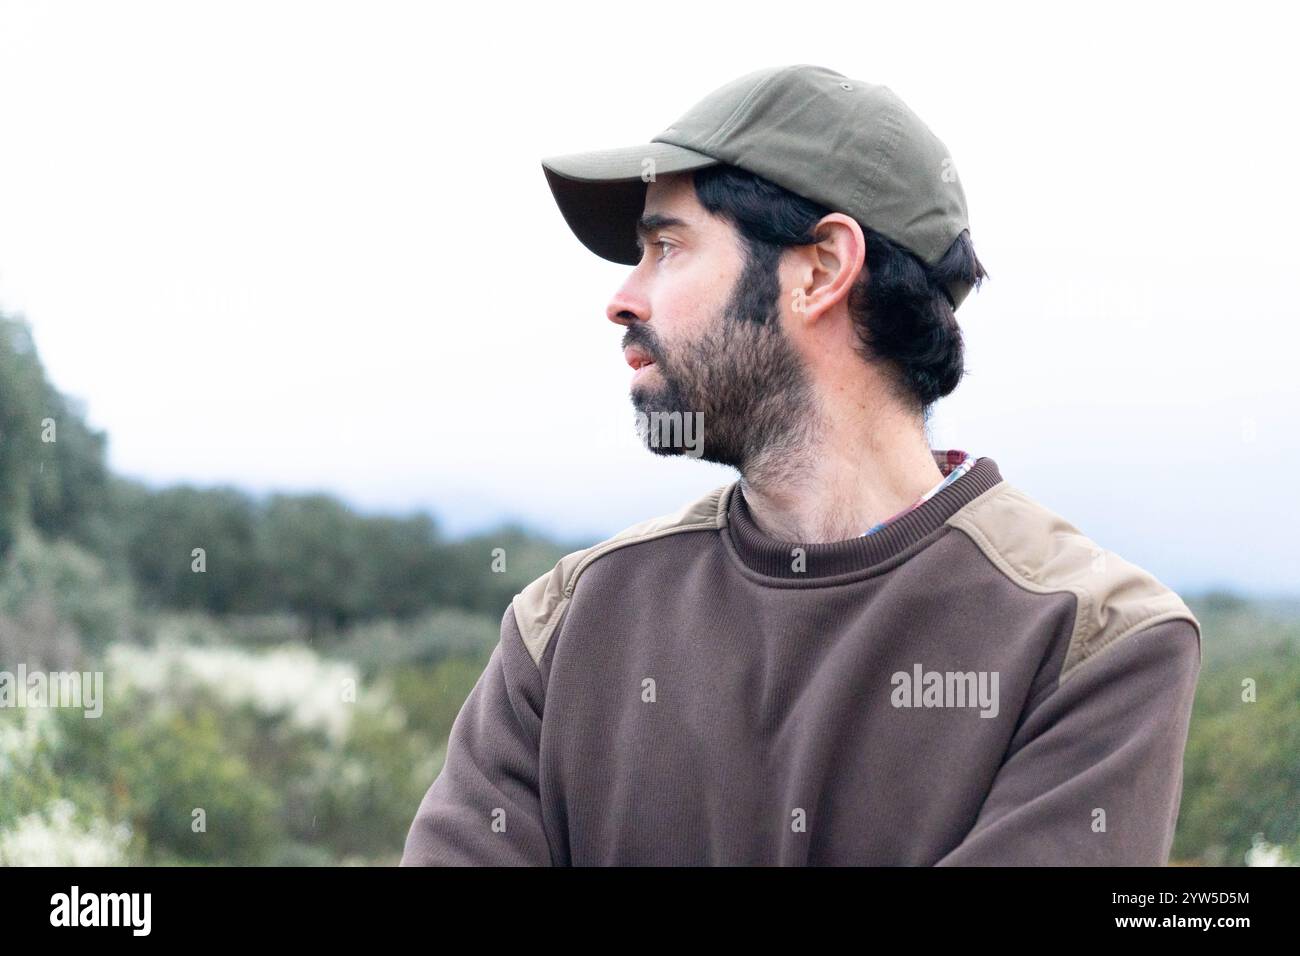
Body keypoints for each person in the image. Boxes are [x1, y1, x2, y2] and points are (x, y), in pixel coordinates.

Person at [400, 64, 1202, 866]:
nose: (622, 297)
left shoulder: (1095, 640)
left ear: (821, 268)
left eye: (666, 247)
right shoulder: (570, 621)